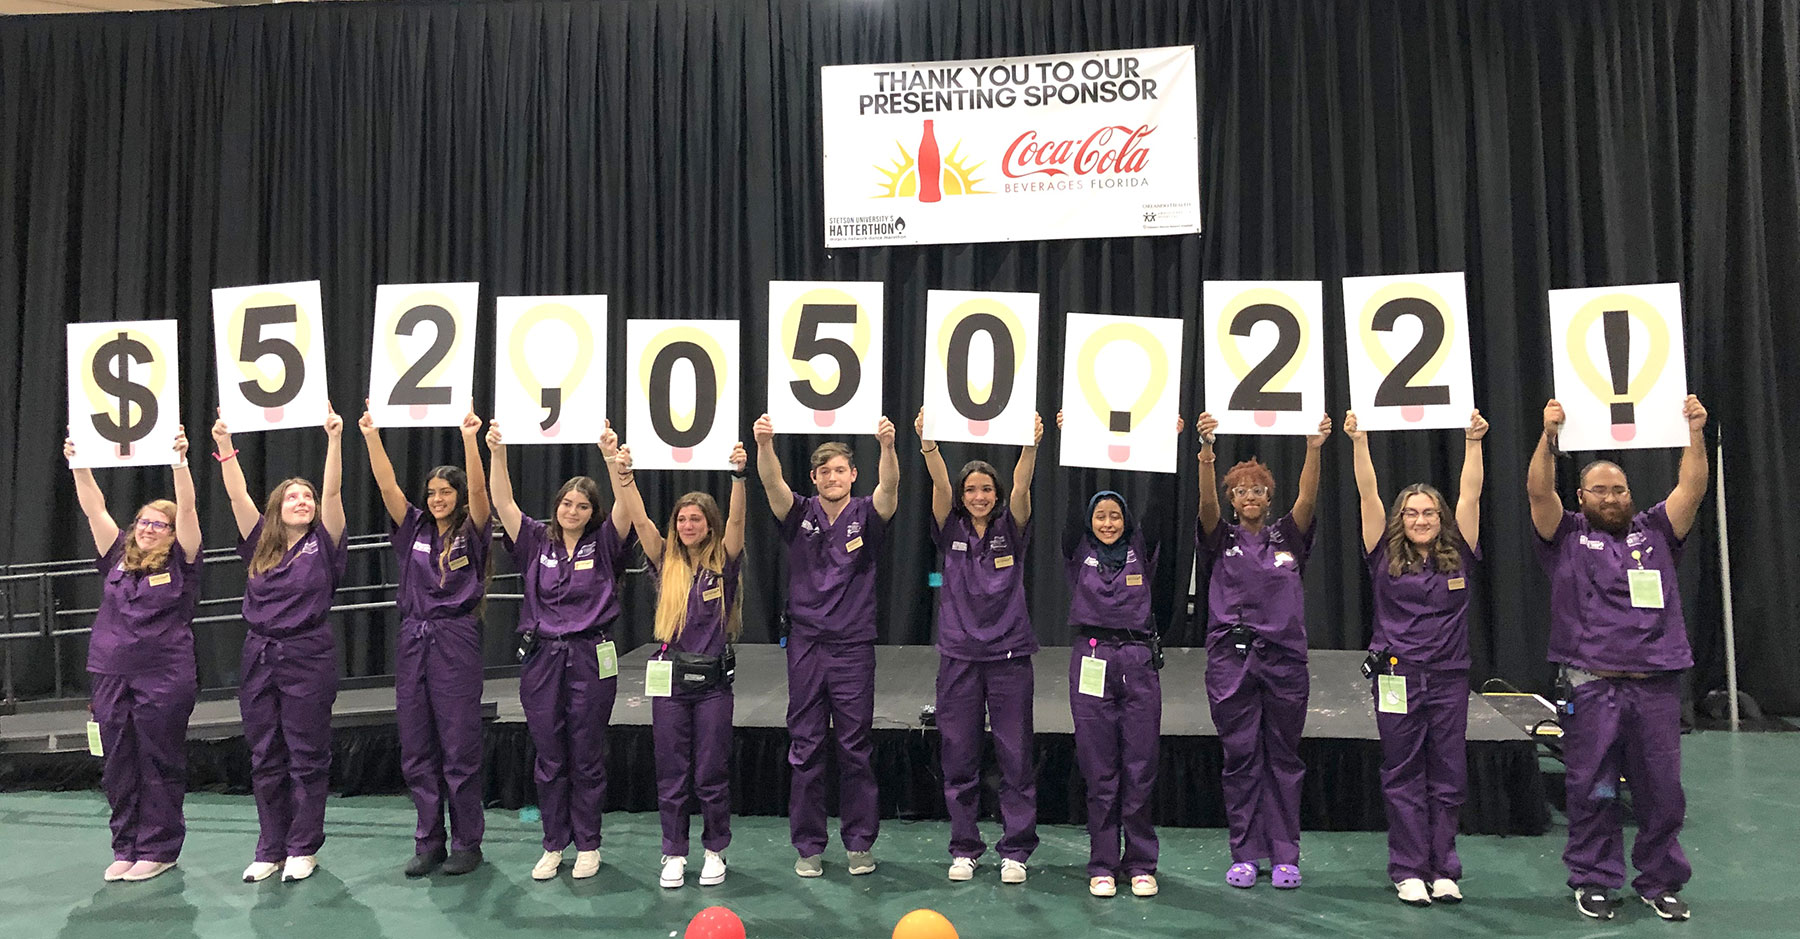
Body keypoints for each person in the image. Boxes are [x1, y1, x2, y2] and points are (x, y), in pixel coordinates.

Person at [1528, 396, 1708, 922]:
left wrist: (1694, 432)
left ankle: (1660, 879)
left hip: (1654, 688)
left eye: (1619, 489)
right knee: (1592, 790)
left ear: (1630, 494)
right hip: (1591, 686)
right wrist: (1548, 437)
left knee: (1661, 793)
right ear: (1581, 496)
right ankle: (1593, 878)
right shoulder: (1564, 536)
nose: (1610, 497)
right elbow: (1539, 490)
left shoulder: (1654, 532)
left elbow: (1692, 488)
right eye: (1599, 490)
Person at [1347, 409, 1488, 906]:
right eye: (1412, 513)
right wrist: (1360, 443)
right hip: (1397, 676)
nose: (1421, 520)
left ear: (1440, 518)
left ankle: (1444, 869)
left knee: (1448, 773)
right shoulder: (1381, 553)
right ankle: (1408, 869)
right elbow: (1368, 494)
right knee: (1403, 773)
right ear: (1400, 519)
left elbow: (1470, 493)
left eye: (1429, 512)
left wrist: (1473, 443)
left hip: (1449, 679)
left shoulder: (1460, 552)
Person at [487, 418, 637, 881]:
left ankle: (588, 843)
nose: (573, 510)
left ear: (593, 511)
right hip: (542, 658)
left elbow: (628, 511)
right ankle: (554, 843)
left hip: (592, 656)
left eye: (582, 505)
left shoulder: (606, 543)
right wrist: (497, 451)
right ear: (557, 507)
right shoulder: (535, 539)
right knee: (549, 755)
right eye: (566, 503)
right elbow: (503, 501)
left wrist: (613, 460)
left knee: (587, 752)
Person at [751, 412, 899, 879]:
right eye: (824, 471)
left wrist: (889, 447)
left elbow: (891, 489)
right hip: (807, 645)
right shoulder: (798, 514)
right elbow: (771, 481)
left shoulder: (866, 515)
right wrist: (765, 443)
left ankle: (858, 843)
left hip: (853, 647)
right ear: (813, 478)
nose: (833, 477)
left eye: (841, 470)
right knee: (807, 746)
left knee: (856, 747)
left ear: (853, 475)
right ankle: (809, 845)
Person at [1195, 411, 1331, 890]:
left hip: (1284, 661)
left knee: (1284, 758)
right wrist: (1208, 456)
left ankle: (1285, 854)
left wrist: (1314, 448)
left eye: (1257, 490)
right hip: (1232, 661)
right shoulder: (1220, 539)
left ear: (1268, 497)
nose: (1249, 497)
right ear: (1232, 500)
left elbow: (1308, 497)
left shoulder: (1288, 537)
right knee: (1241, 757)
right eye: (1241, 491)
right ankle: (1246, 853)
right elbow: (1206, 503)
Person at [214, 408, 348, 883]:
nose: (303, 501)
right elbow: (236, 494)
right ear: (277, 507)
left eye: (306, 496)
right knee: (265, 754)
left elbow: (333, 491)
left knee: (307, 754)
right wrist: (226, 446)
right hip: (260, 655)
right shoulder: (260, 544)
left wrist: (334, 440)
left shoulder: (325, 543)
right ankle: (269, 847)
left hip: (308, 654)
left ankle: (302, 847)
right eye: (292, 496)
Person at [1053, 412, 1182, 899]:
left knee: (1140, 767)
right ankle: (1103, 863)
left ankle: (1141, 862)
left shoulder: (1141, 550)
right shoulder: (1076, 547)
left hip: (1138, 662)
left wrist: (1166, 446)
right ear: (1090, 521)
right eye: (1100, 515)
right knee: (1100, 771)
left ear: (1126, 520)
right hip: (1091, 660)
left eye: (1116, 515)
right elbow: (1068, 501)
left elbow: (1162, 507)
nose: (1108, 523)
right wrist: (1067, 441)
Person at [361, 404, 492, 876]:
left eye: (445, 492)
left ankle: (467, 844)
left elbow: (480, 489)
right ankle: (428, 841)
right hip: (413, 639)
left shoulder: (473, 531)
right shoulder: (413, 527)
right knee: (417, 747)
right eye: (432, 492)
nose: (437, 499)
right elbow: (387, 486)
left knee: (458, 746)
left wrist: (470, 440)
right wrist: (372, 435)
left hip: (455, 638)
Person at [69, 426, 201, 883]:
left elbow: (186, 508)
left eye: (158, 524)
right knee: (118, 763)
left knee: (158, 760)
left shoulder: (183, 560)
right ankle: (125, 846)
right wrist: (78, 463)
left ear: (171, 533)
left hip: (163, 676)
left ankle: (160, 848)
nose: (148, 528)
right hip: (109, 674)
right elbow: (95, 507)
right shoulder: (116, 556)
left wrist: (180, 463)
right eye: (143, 521)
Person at [916, 408, 1042, 886]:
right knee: (960, 756)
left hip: (1010, 656)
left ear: (996, 494)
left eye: (986, 489)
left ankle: (1015, 850)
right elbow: (941, 489)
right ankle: (965, 848)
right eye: (971, 490)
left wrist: (1030, 446)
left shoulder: (1014, 525)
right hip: (959, 657)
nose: (978, 496)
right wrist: (930, 447)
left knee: (1015, 757)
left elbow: (1023, 488)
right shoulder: (950, 528)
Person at [615, 441, 748, 889]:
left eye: (696, 519)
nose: (688, 524)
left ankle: (715, 850)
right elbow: (639, 519)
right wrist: (625, 475)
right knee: (671, 772)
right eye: (682, 519)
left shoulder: (723, 565)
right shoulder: (664, 561)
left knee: (711, 771)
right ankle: (673, 852)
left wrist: (738, 477)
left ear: (709, 525)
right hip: (669, 681)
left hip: (712, 684)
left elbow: (737, 521)